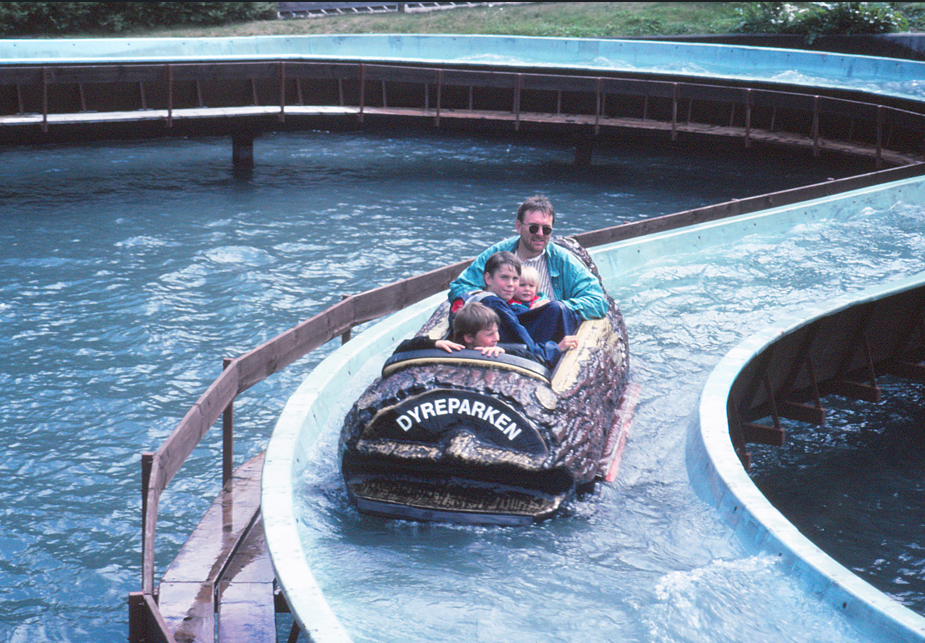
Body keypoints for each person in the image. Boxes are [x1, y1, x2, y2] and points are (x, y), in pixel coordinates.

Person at [448, 195, 608, 326]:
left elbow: (598, 301)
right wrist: (490, 301)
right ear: (519, 226)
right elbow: (459, 287)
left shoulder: (564, 261)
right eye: (533, 228)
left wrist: (558, 307)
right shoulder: (498, 253)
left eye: (546, 229)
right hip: (499, 327)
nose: (539, 233)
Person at [460, 251, 578, 367]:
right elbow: (529, 349)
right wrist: (557, 348)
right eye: (504, 277)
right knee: (557, 309)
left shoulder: (470, 298)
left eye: (515, 279)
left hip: (492, 350)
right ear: (488, 278)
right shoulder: (496, 306)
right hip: (505, 358)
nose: (510, 284)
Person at [392, 301, 506, 358]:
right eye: (490, 334)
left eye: (496, 332)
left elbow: (522, 353)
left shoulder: (496, 351)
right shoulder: (449, 351)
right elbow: (401, 349)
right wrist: (434, 344)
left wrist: (503, 353)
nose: (497, 338)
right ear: (469, 338)